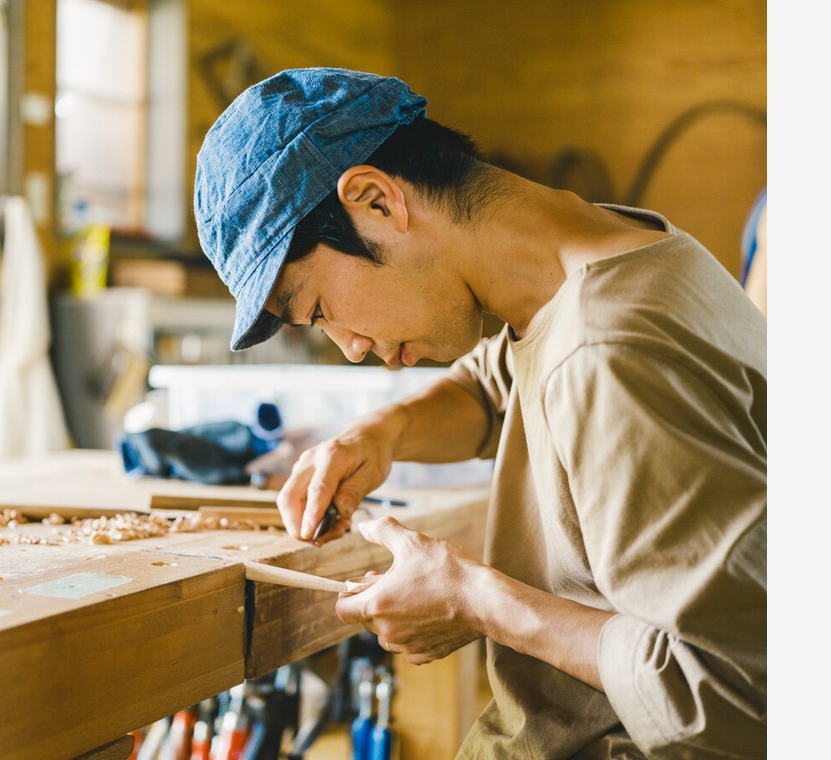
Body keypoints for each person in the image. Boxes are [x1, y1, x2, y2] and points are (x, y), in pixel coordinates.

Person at [193, 68, 766, 758]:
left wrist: (475, 600)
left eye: (317, 309)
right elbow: (495, 386)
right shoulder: (608, 256)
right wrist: (383, 433)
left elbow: (736, 694)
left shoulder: (609, 351)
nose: (348, 349)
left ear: (376, 202)